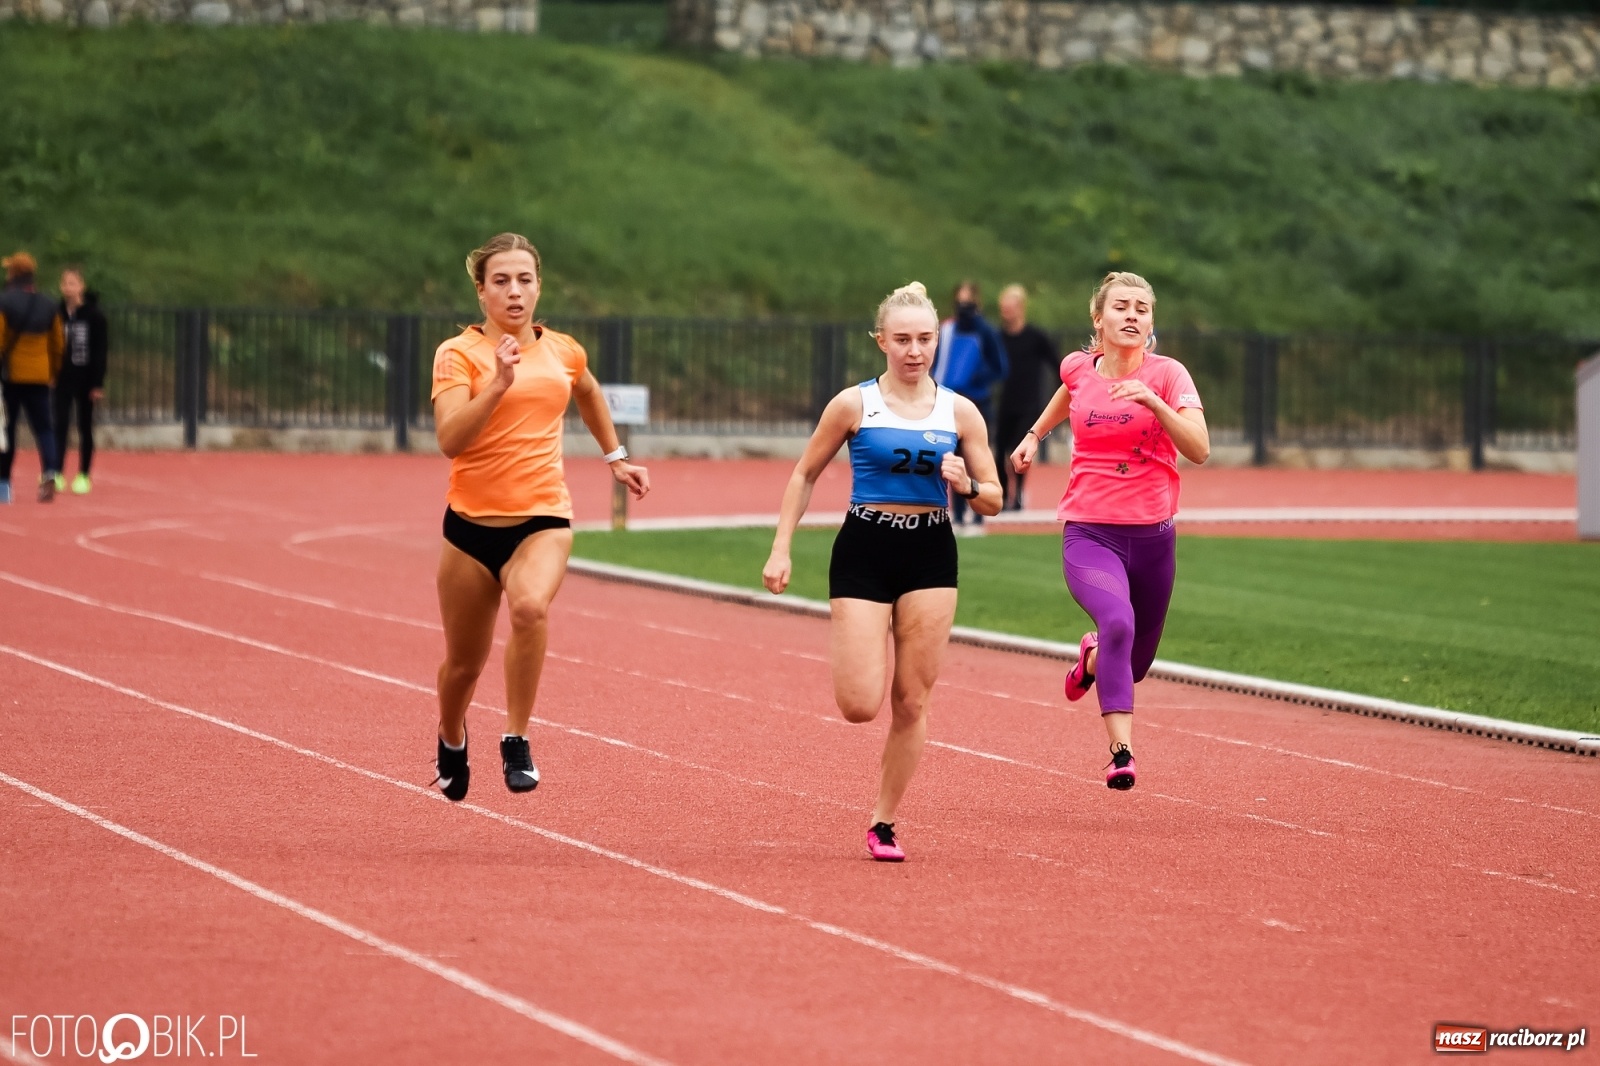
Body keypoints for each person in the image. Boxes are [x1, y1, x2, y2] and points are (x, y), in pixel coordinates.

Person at [763, 281, 1002, 861]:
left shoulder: (959, 411)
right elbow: (804, 474)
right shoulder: (853, 404)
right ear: (881, 342)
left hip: (930, 552)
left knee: (912, 702)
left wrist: (965, 483)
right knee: (859, 704)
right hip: (865, 546)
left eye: (924, 339)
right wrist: (781, 547)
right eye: (902, 340)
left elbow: (993, 497)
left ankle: (884, 821)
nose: (915, 350)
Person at [429, 233, 649, 800]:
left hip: (543, 518)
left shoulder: (563, 350)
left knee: (529, 606)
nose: (514, 291)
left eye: (525, 280)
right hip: (470, 529)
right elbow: (451, 440)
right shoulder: (459, 354)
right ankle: (451, 737)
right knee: (462, 667)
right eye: (501, 281)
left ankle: (515, 737)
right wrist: (500, 383)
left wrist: (616, 457)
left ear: (539, 287)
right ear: (481, 292)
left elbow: (589, 391)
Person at [1009, 272, 1208, 790]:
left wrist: (1155, 404)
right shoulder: (1079, 367)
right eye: (1121, 306)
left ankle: (1091, 659)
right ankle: (1122, 754)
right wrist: (1035, 434)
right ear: (1099, 319)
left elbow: (1201, 449)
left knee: (1134, 663)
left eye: (1142, 308)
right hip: (1090, 534)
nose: (1132, 315)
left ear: (1151, 321)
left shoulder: (1169, 376)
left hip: (1153, 539)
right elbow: (1068, 391)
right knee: (1118, 621)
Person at [932, 280, 1007, 533]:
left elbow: (1000, 367)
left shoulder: (985, 332)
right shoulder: (948, 329)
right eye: (959, 300)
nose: (963, 305)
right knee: (951, 457)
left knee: (976, 459)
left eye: (968, 300)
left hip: (977, 402)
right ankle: (957, 516)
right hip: (949, 401)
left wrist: (975, 379)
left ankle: (978, 517)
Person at [0, 252, 64, 504]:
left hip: (11, 377)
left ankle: (4, 484)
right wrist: (53, 373)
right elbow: (58, 344)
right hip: (40, 375)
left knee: (7, 430)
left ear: (13, 273)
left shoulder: (4, 302)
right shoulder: (48, 304)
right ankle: (50, 471)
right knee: (45, 428)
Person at [995, 284, 1060, 511]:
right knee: (999, 450)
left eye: (1009, 308)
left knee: (1018, 449)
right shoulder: (998, 337)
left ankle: (1019, 495)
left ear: (1020, 307)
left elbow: (1057, 364)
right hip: (1006, 402)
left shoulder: (1035, 337)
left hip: (1029, 403)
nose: (1006, 313)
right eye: (1003, 308)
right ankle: (1003, 495)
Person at [53, 267, 108, 495]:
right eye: (65, 283)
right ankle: (56, 471)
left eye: (73, 283)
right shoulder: (57, 313)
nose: (68, 288)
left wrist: (97, 383)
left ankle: (83, 474)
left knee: (85, 427)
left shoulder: (94, 316)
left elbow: (100, 351)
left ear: (81, 286)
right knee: (60, 425)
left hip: (86, 380)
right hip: (62, 378)